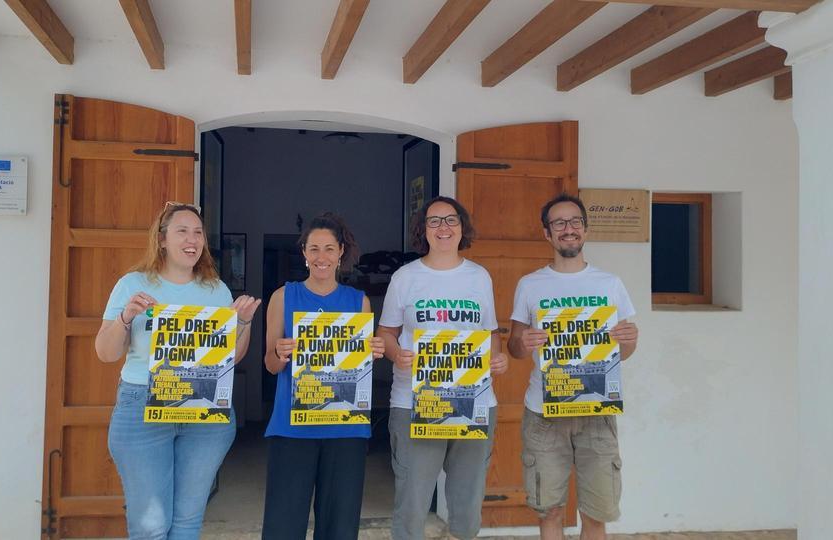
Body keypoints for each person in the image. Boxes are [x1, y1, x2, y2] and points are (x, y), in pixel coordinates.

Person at [94, 202, 261, 540]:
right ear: (162, 239)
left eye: (198, 232)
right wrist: (125, 317)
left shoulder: (216, 291)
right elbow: (105, 352)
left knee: (187, 522)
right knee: (149, 526)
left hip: (203, 411)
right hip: (143, 408)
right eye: (182, 230)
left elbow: (230, 357)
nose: (192, 239)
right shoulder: (132, 284)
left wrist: (242, 323)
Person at [507, 194, 639, 540]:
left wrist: (628, 337)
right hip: (544, 413)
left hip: (596, 411)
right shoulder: (530, 284)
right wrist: (525, 343)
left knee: (596, 514)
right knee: (548, 511)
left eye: (575, 222)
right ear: (547, 234)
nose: (569, 229)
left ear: (585, 229)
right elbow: (515, 348)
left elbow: (624, 351)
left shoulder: (609, 284)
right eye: (560, 223)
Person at [377, 196, 510, 540]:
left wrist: (498, 357)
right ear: (423, 230)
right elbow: (386, 333)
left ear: (462, 227)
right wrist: (396, 354)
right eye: (434, 221)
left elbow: (490, 333)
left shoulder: (479, 277)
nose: (443, 228)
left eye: (450, 220)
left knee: (466, 505)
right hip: (414, 403)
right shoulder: (405, 277)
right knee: (412, 503)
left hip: (474, 402)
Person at [260, 212, 386, 540]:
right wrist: (281, 353)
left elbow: (359, 370)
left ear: (341, 252)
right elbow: (270, 365)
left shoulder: (358, 301)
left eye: (329, 249)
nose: (321, 257)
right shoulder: (282, 296)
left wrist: (371, 352)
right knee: (283, 525)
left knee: (340, 526)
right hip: (292, 427)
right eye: (314, 249)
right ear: (303, 253)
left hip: (345, 428)